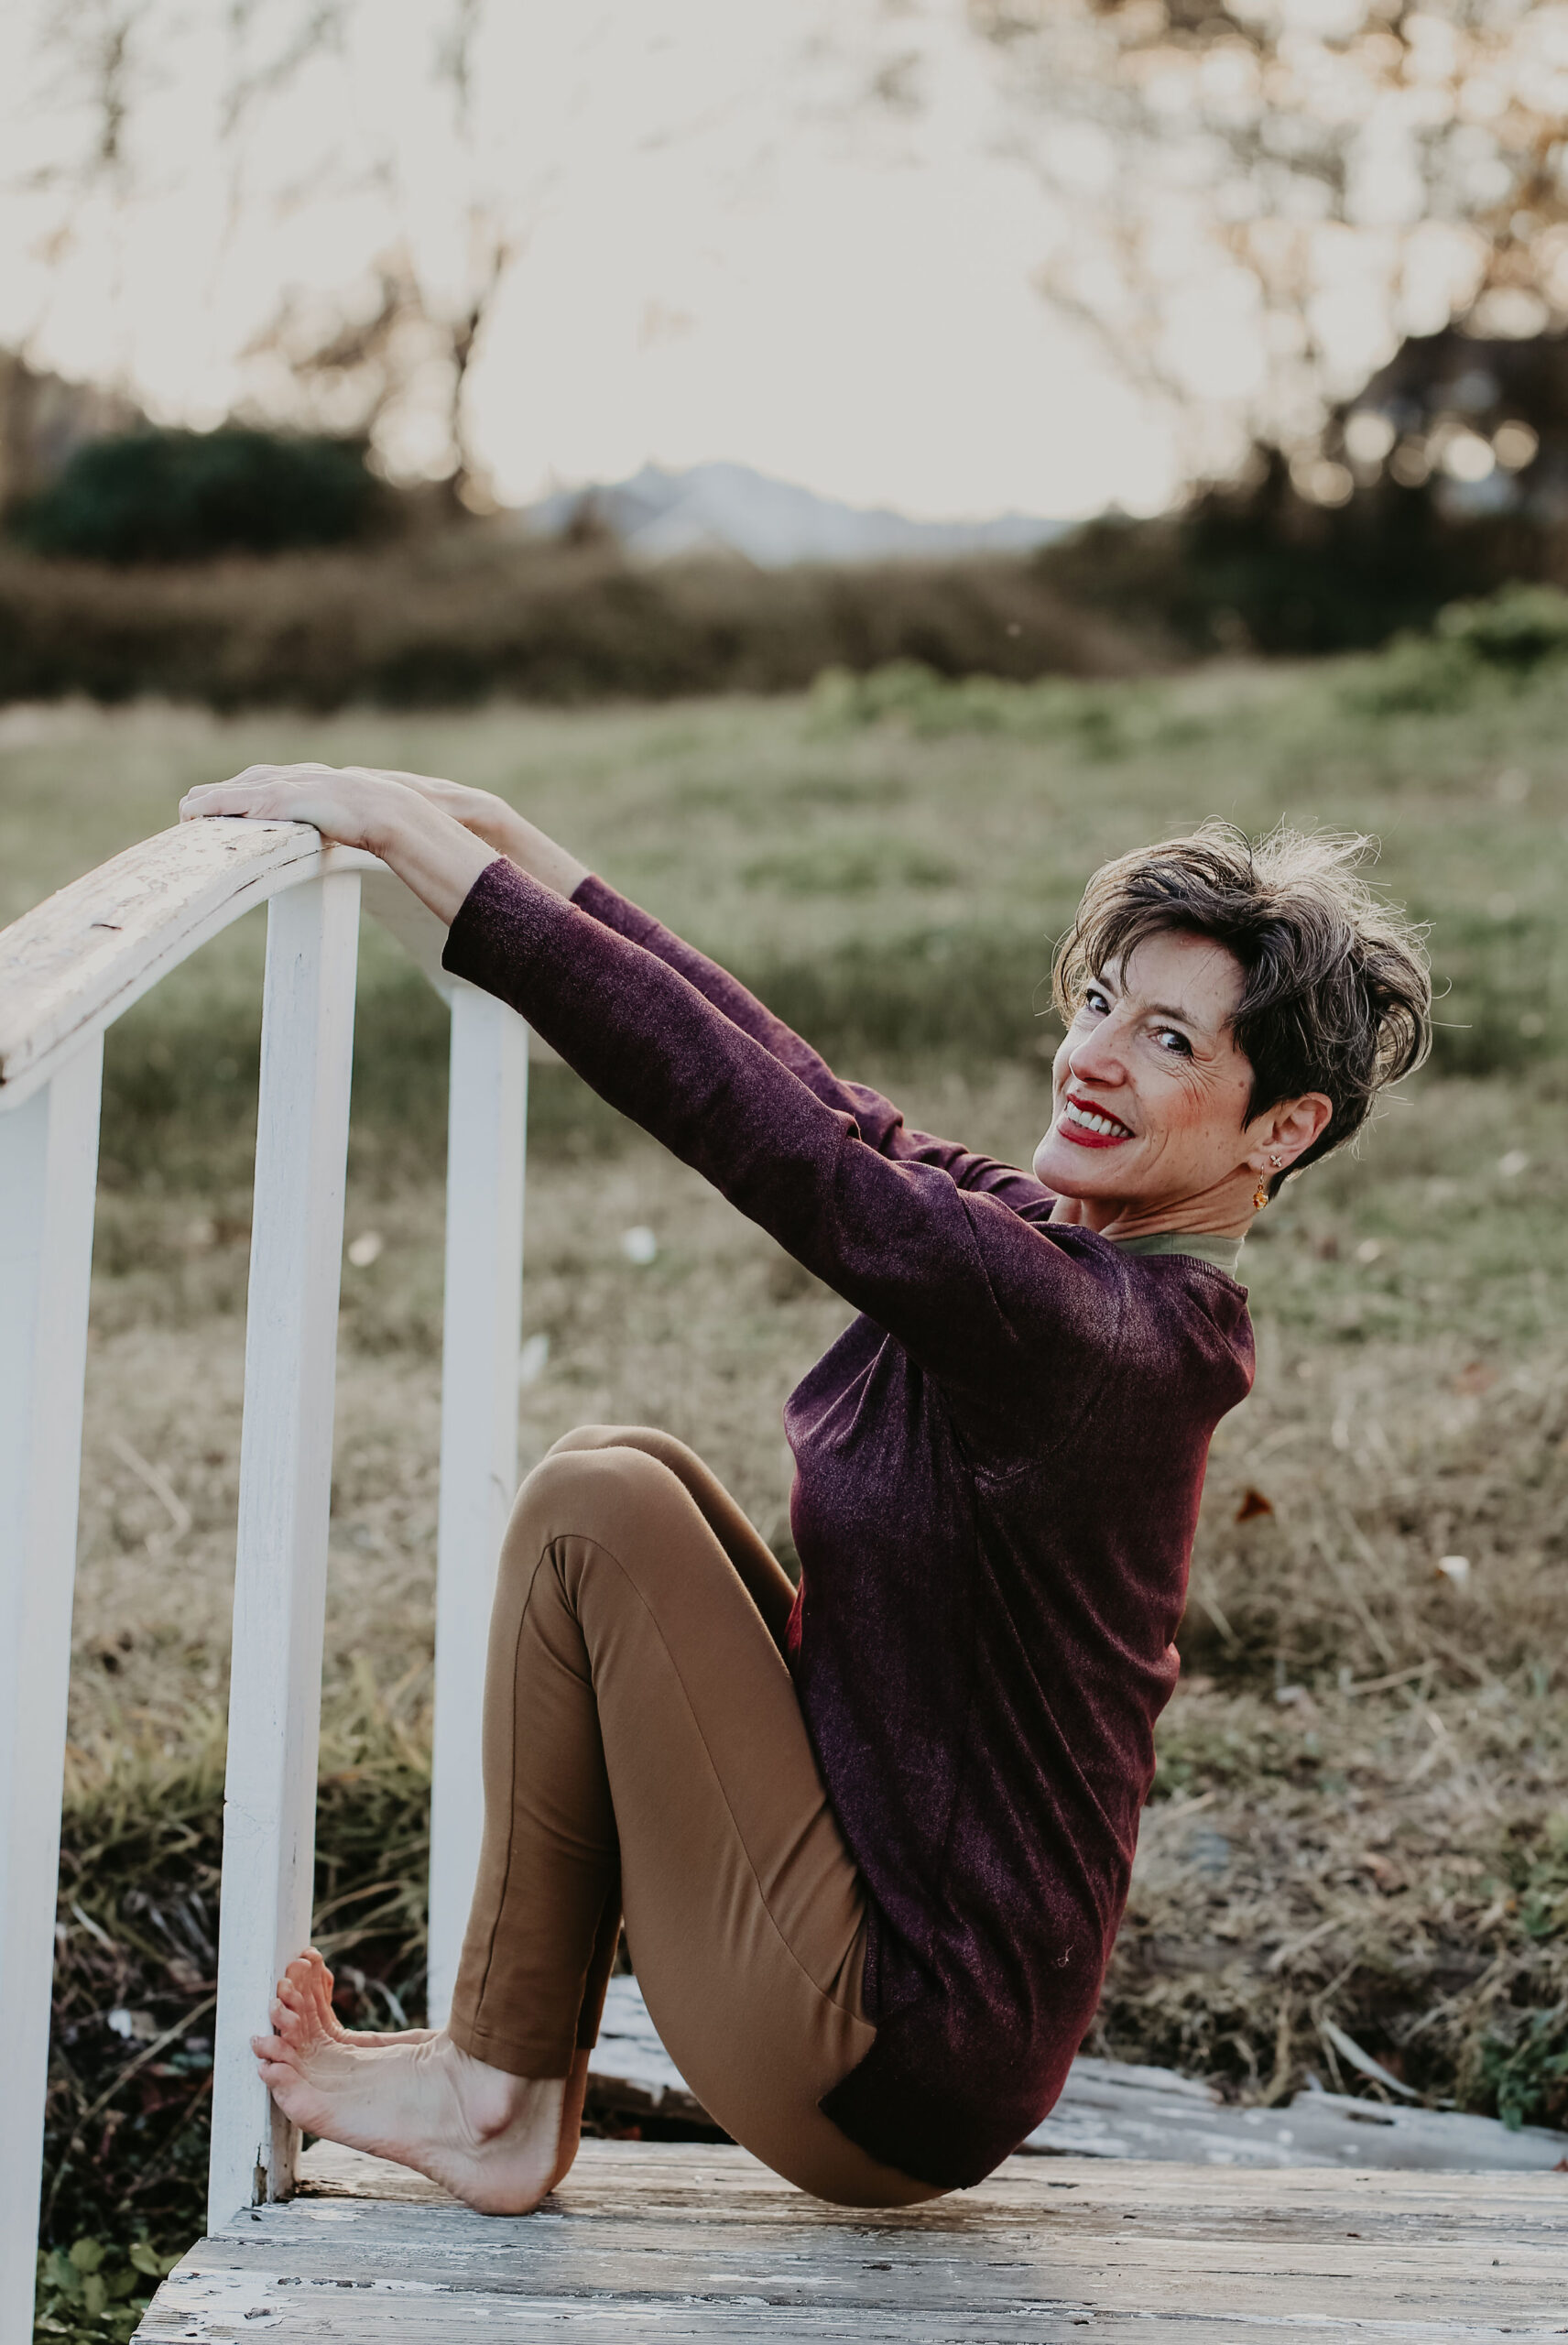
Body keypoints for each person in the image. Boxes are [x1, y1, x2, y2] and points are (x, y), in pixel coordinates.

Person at [180, 767, 1432, 2210]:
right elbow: (838, 1110)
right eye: (1099, 1004)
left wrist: (439, 862)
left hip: (891, 2056)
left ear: (1280, 1130)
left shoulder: (1081, 1333)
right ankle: (504, 2082)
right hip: (914, 2002)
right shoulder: (1088, 1274)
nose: (1094, 1056)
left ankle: (493, 2092)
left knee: (600, 1513)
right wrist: (507, 846)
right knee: (628, 1476)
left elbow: (787, 1150)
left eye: (1167, 1040)